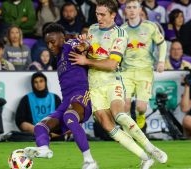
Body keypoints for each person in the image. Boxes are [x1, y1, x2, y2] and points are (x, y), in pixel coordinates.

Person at [69, 0, 167, 168]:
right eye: (97, 14)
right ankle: (145, 157)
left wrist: (85, 61)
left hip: (112, 81)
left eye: (102, 14)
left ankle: (151, 147)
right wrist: (83, 45)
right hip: (94, 85)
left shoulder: (120, 34)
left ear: (113, 15)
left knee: (119, 114)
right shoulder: (92, 29)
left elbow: (112, 64)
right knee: (107, 125)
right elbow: (90, 48)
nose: (98, 17)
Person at [24, 23, 98, 169]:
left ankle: (90, 162)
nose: (50, 46)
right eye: (47, 43)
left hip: (82, 94)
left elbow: (86, 43)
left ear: (62, 38)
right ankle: (44, 149)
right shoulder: (58, 59)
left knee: (69, 117)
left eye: (53, 42)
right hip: (66, 101)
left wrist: (85, 45)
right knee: (40, 126)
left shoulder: (70, 44)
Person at [121, 0, 166, 130]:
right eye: (128, 7)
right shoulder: (121, 30)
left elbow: (162, 43)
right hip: (126, 71)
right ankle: (129, 131)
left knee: (141, 107)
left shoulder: (150, 27)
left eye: (134, 7)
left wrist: (161, 61)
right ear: (125, 10)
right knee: (125, 105)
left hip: (145, 71)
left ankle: (141, 116)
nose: (131, 10)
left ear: (140, 10)